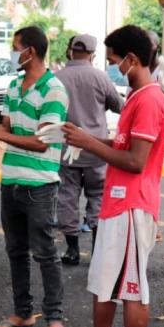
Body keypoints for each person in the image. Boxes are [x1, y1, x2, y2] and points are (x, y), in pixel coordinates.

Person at [57, 25, 164, 327]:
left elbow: (137, 161)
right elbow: (123, 144)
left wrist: (88, 140)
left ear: (133, 59)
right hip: (116, 205)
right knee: (103, 285)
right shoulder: (137, 96)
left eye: (114, 60)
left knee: (132, 290)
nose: (111, 67)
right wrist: (86, 141)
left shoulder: (150, 99)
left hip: (133, 206)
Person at [0, 26, 71, 327]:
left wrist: (0, 133)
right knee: (16, 251)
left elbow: (42, 143)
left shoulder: (54, 90)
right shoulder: (15, 85)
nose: (12, 51)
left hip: (40, 185)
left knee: (45, 253)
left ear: (30, 51)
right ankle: (22, 313)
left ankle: (55, 317)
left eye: (15, 46)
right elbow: (7, 127)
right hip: (11, 181)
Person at [54, 34, 123, 265]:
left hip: (67, 149)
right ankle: (96, 251)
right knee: (98, 197)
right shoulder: (100, 77)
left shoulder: (57, 78)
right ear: (93, 54)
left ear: (70, 51)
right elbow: (118, 106)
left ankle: (72, 250)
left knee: (67, 198)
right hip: (97, 150)